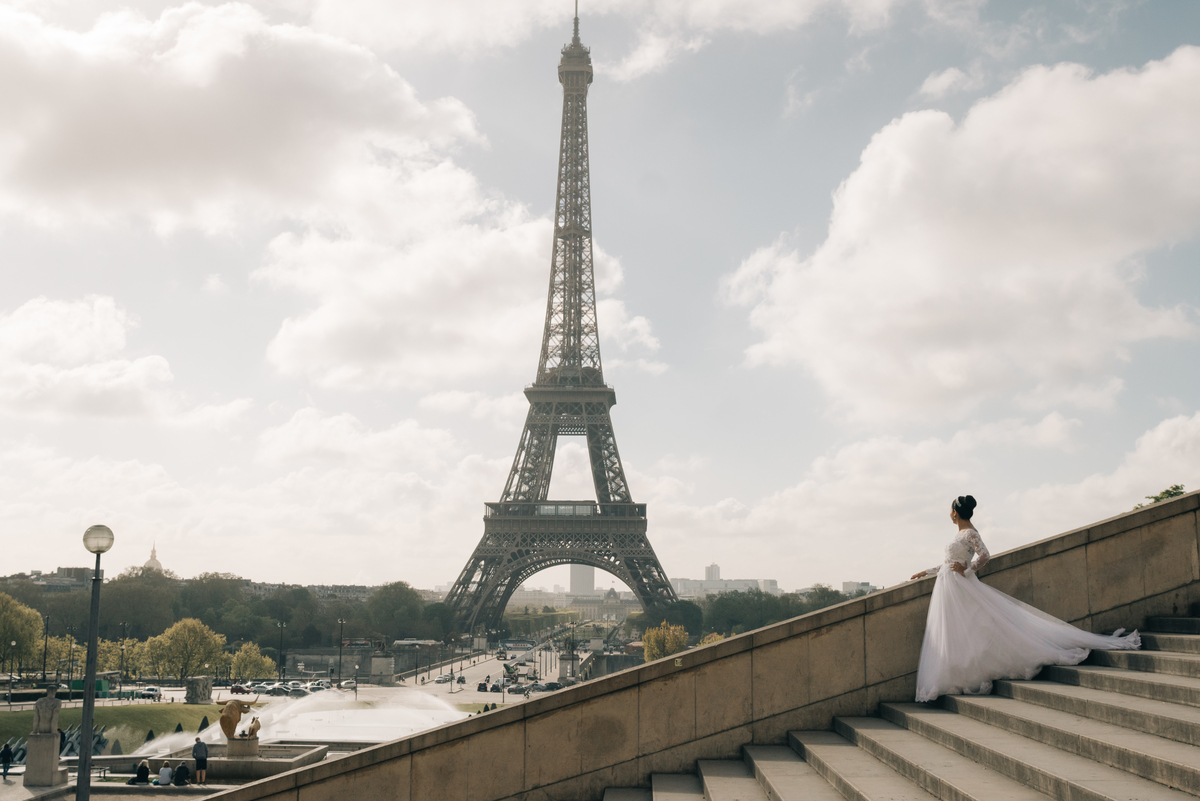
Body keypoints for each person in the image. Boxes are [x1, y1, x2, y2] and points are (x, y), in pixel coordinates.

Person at [910, 495, 1141, 702]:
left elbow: (985, 556)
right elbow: (950, 562)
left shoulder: (970, 533)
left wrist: (967, 571)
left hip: (960, 586)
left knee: (975, 627)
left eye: (950, 511)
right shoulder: (961, 533)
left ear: (954, 512)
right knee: (958, 630)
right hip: (949, 585)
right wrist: (928, 571)